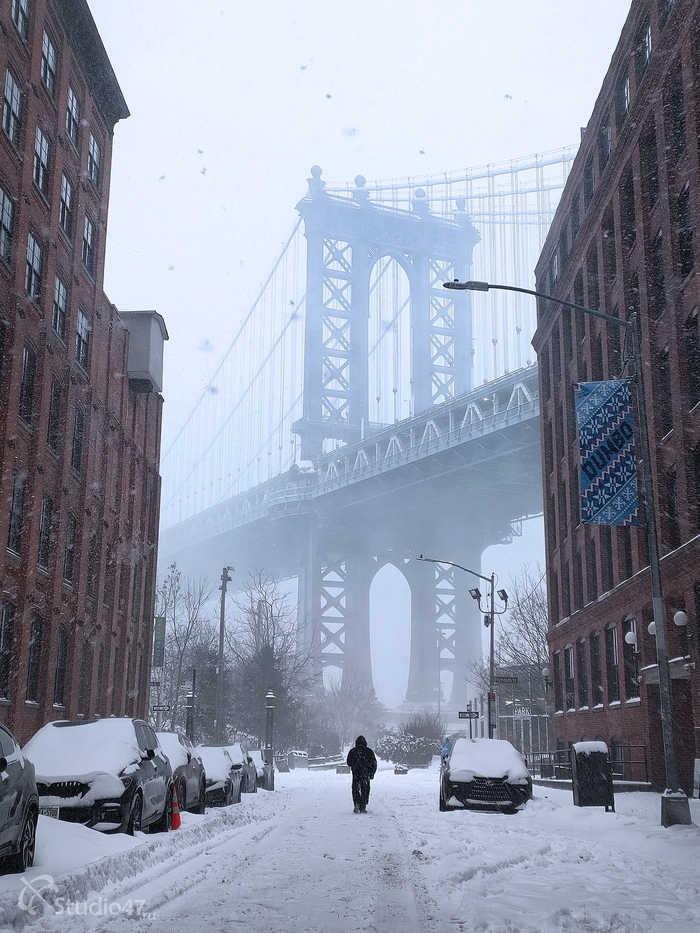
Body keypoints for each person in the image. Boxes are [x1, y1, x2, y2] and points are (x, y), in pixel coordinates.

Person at [346, 735, 377, 813]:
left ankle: (357, 802)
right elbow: (374, 763)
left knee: (355, 789)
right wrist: (372, 773)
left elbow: (348, 762)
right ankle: (363, 806)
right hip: (365, 774)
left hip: (356, 774)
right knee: (365, 790)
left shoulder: (352, 751)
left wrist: (355, 765)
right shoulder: (369, 751)